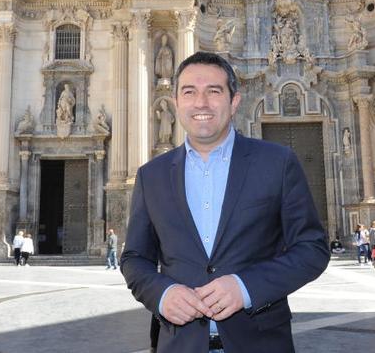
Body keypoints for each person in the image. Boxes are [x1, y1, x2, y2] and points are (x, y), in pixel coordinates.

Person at [121, 51, 330, 352]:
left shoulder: (278, 162)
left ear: (234, 102)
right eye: (189, 92)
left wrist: (246, 288)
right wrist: (163, 294)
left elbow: (312, 249)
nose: (201, 103)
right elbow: (134, 259)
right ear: (176, 103)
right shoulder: (150, 176)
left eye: (214, 92)